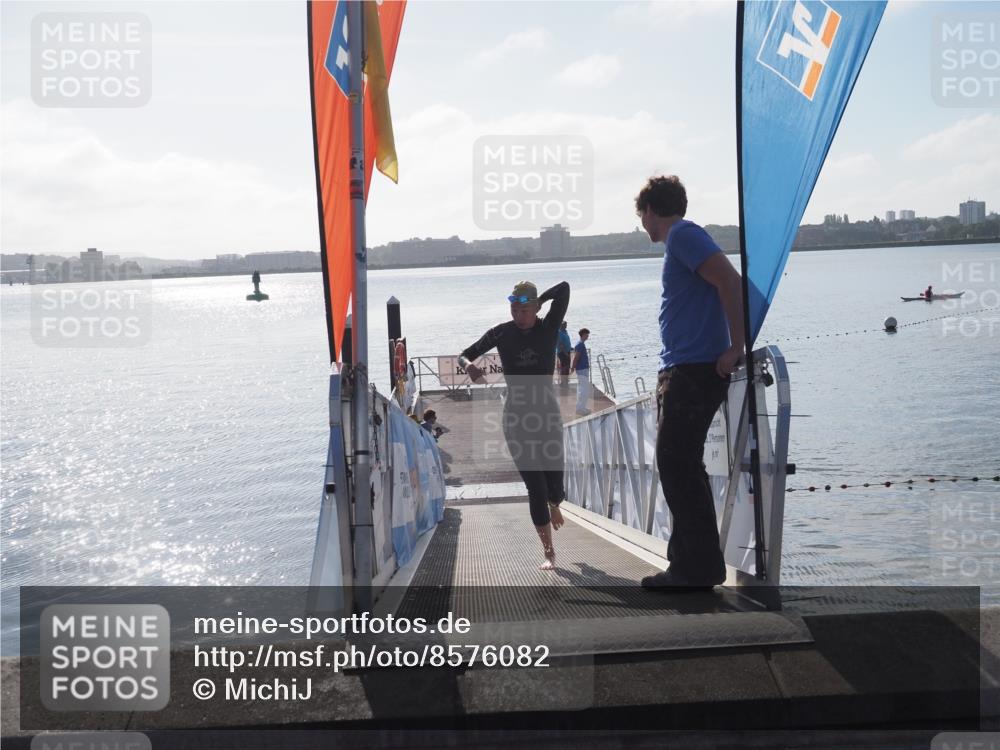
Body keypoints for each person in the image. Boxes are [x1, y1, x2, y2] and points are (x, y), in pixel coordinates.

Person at [635, 175, 745, 592]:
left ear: (650, 210)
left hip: (695, 369)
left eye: (641, 215)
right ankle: (689, 564)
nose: (642, 224)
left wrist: (736, 346)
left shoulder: (682, 234)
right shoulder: (682, 239)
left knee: (677, 464)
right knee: (681, 465)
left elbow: (728, 280)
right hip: (684, 369)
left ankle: (696, 568)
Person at [459, 280, 570, 570]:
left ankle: (554, 503)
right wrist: (467, 365)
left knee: (554, 487)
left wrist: (542, 300)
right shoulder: (501, 332)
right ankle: (549, 553)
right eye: (513, 308)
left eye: (523, 309)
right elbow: (464, 354)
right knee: (535, 485)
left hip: (547, 415)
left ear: (534, 308)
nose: (517, 315)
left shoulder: (549, 326)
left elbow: (564, 289)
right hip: (516, 417)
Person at [570, 328, 591, 416]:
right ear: (583, 335)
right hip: (582, 369)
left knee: (582, 389)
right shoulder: (580, 345)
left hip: (583, 369)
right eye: (587, 335)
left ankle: (581, 407)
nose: (588, 336)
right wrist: (573, 367)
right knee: (584, 390)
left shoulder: (581, 344)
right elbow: (576, 357)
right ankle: (580, 408)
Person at [555, 321, 572, 389]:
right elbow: (560, 344)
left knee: (567, 367)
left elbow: (567, 341)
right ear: (560, 325)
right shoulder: (559, 333)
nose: (565, 326)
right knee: (564, 367)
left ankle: (566, 382)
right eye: (564, 325)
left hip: (567, 351)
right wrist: (565, 353)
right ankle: (563, 383)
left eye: (566, 325)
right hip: (562, 352)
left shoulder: (565, 332)